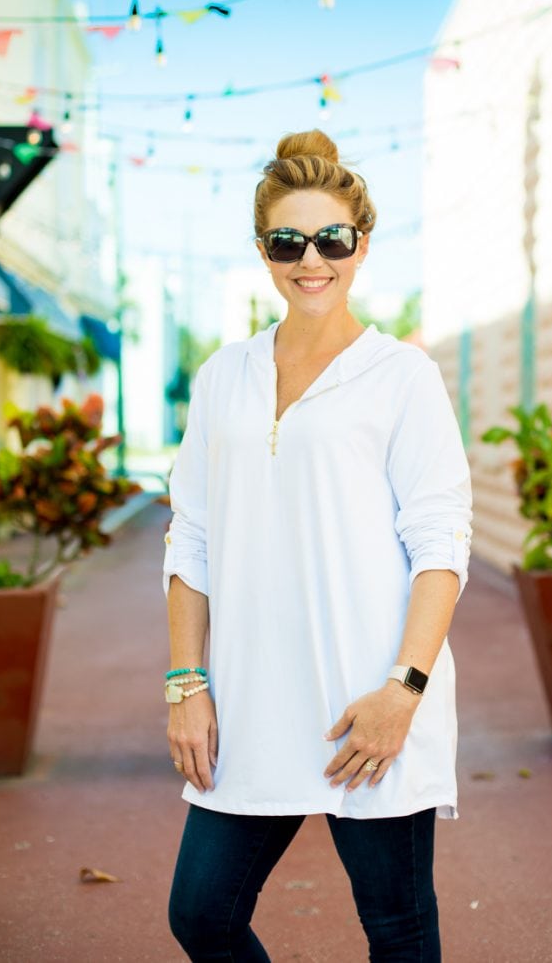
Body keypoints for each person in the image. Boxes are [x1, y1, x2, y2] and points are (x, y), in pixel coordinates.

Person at [162, 129, 472, 962]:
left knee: (397, 930)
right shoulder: (222, 376)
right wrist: (186, 684)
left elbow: (440, 544)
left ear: (361, 246)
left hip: (366, 702)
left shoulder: (402, 376)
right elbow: (190, 535)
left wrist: (403, 691)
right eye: (287, 241)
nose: (311, 260)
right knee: (202, 913)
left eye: (332, 239)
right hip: (250, 702)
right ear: (262, 250)